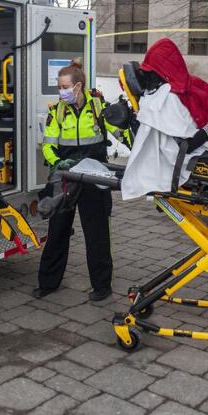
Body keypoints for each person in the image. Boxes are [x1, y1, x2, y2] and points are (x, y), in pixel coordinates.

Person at [35, 59, 130, 303]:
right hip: (65, 176)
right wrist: (57, 162)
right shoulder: (57, 111)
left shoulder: (98, 107)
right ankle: (48, 282)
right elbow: (48, 145)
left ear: (78, 86)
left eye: (64, 87)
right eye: (59, 87)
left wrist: (131, 134)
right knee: (58, 230)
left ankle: (102, 286)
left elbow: (121, 132)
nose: (61, 92)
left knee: (96, 232)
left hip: (94, 177)